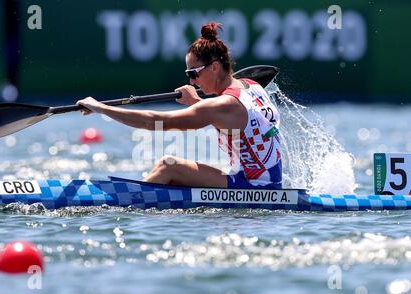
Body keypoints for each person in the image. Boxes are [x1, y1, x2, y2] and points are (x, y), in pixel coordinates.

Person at [76, 22, 282, 189]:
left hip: (254, 187)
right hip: (268, 181)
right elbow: (239, 123)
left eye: (194, 73)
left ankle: (133, 210)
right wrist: (196, 103)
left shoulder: (223, 105)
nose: (192, 81)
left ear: (215, 67)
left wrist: (99, 107)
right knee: (173, 175)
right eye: (188, 75)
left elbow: (155, 123)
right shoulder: (251, 86)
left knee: (168, 166)